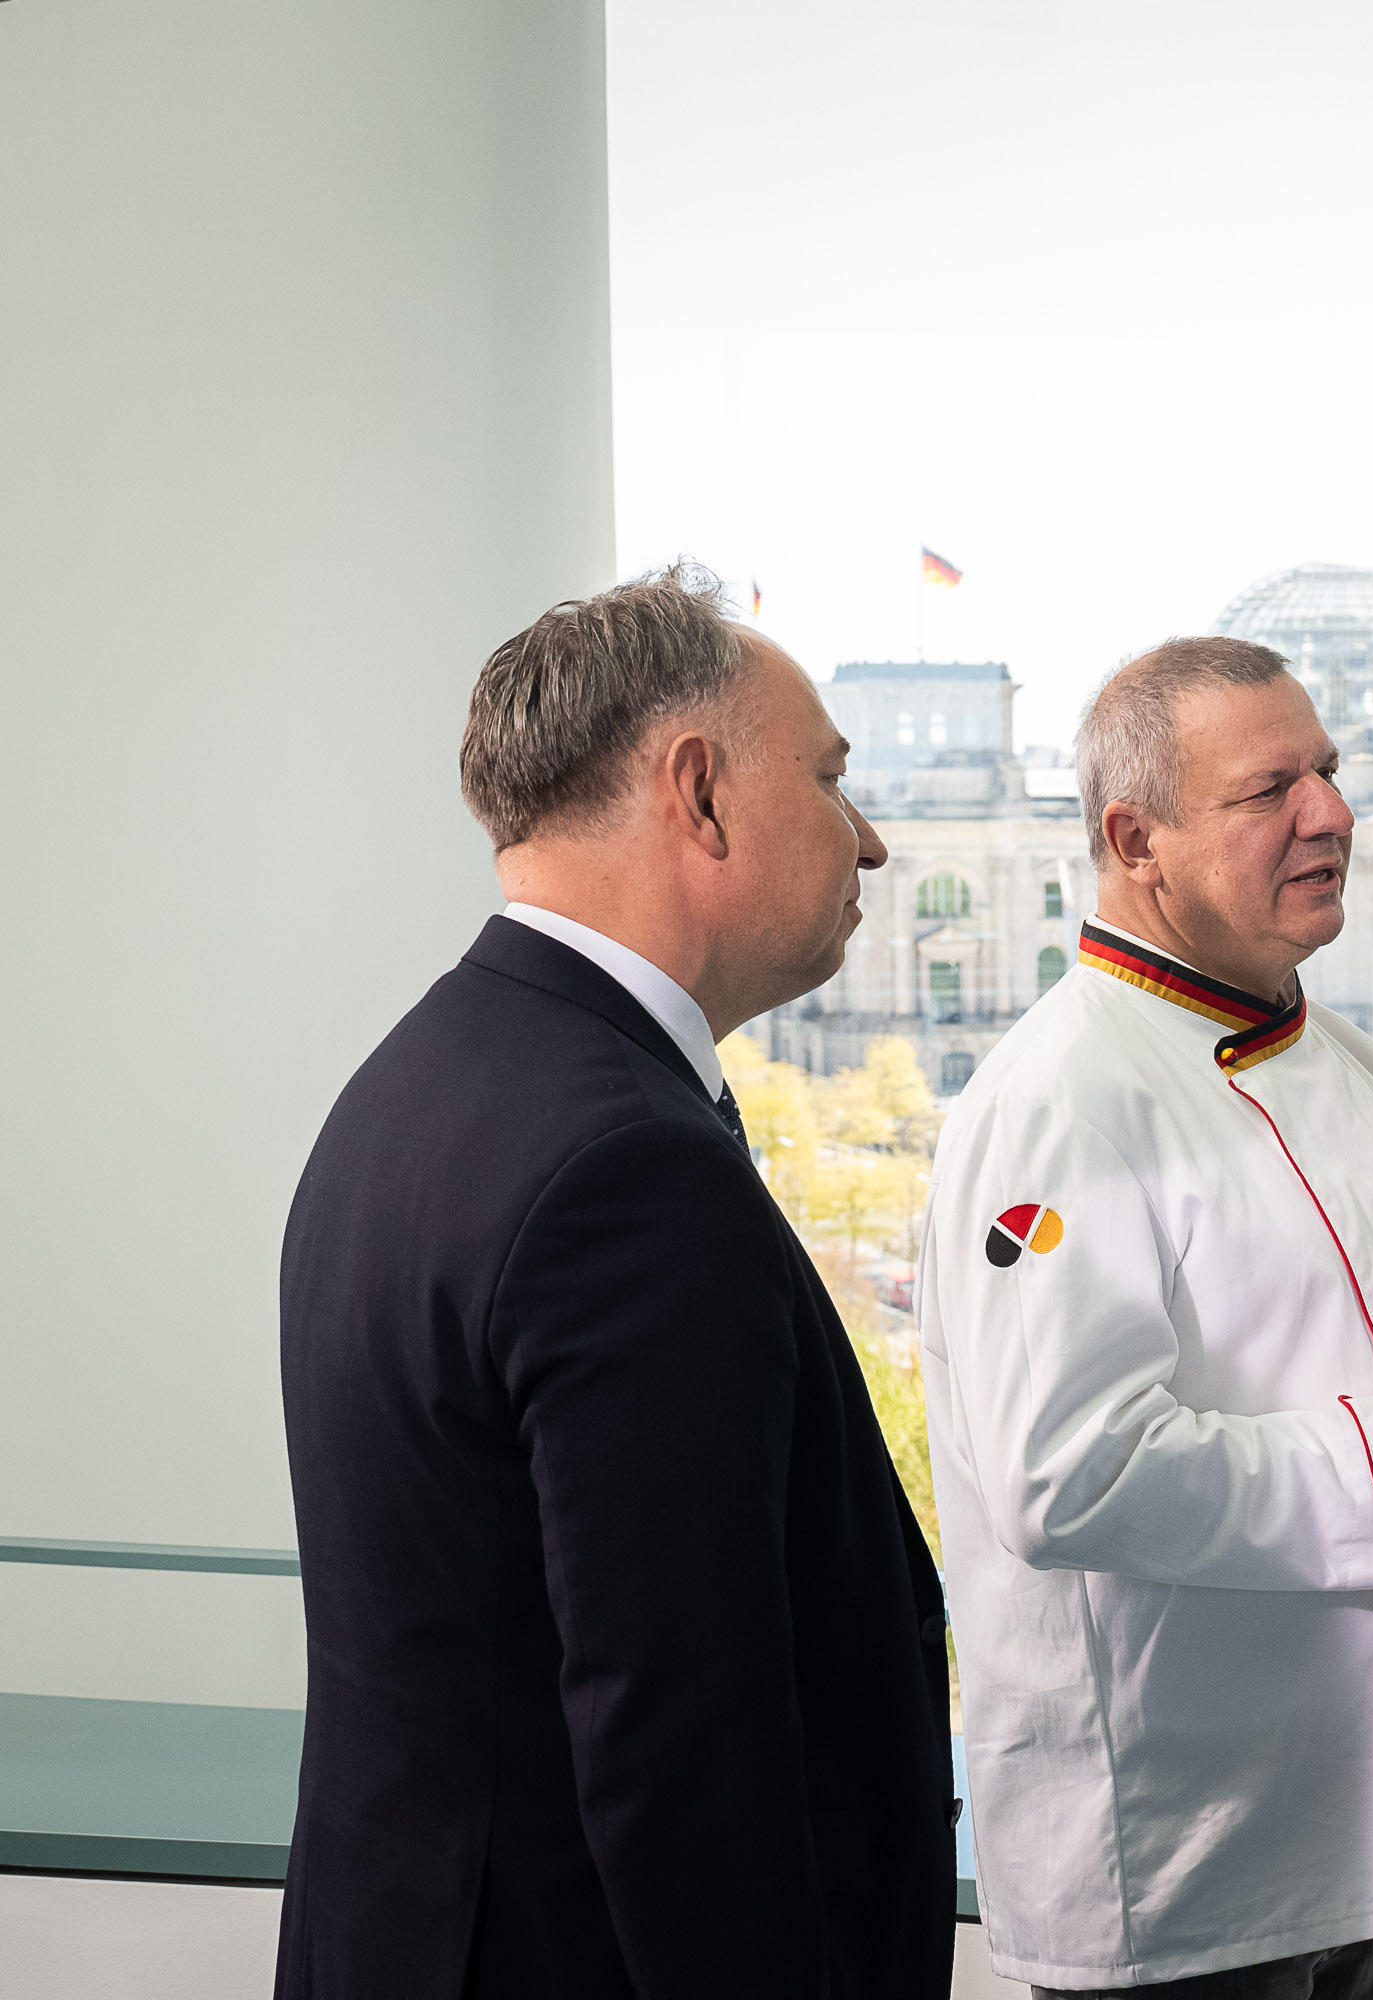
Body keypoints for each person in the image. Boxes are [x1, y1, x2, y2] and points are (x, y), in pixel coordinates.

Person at [920, 636, 1373, 1998]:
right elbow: (1071, 1470)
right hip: (1186, 1865)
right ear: (1137, 838)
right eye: (1271, 789)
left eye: (1332, 771)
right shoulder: (1062, 1097)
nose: (1335, 814)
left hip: (1365, 1838)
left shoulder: (1354, 1067)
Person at [274, 567, 954, 2000]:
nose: (873, 841)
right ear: (698, 794)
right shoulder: (625, 1170)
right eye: (832, 779)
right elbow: (682, 1745)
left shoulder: (413, 1087)